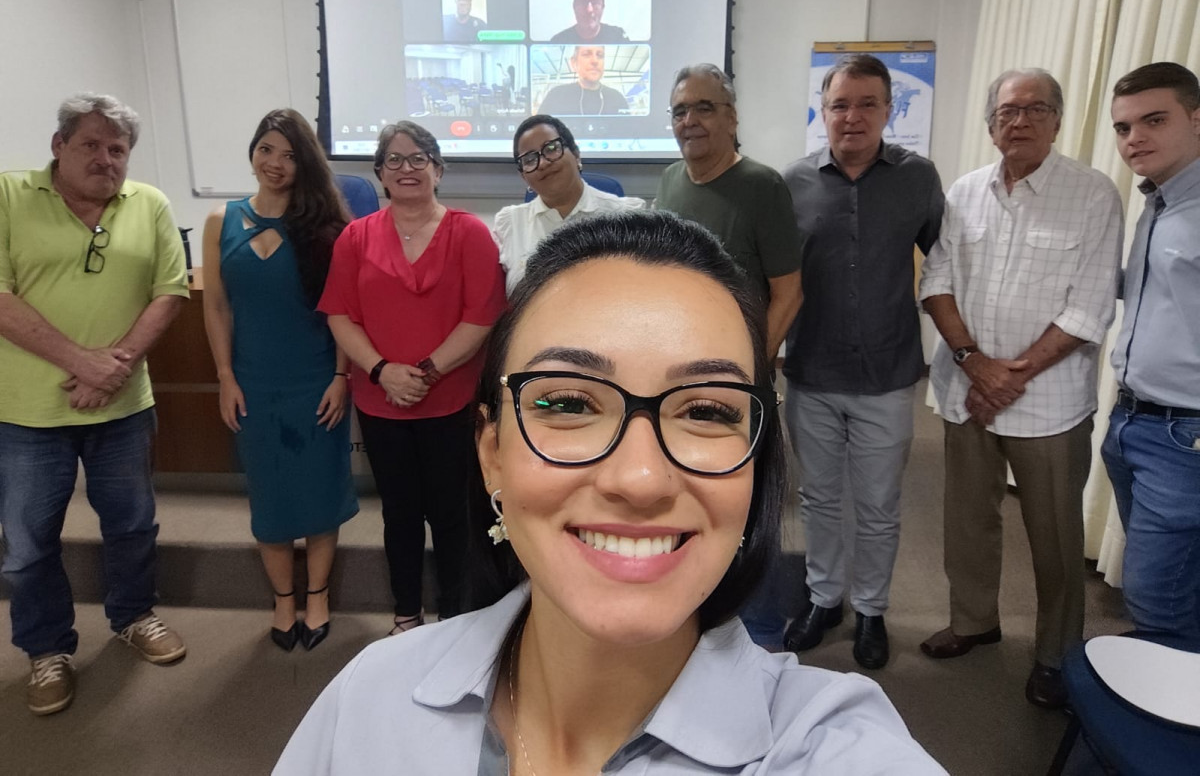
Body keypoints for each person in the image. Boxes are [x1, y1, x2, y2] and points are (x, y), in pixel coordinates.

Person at [274, 212, 948, 775]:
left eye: (707, 412)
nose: (640, 479)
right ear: (492, 457)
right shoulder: (371, 698)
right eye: (568, 402)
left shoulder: (831, 750)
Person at [918, 68, 1123, 709]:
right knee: (968, 522)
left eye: (1037, 109)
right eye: (1008, 111)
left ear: (1058, 121)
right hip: (966, 391)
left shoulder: (1093, 195)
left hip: (1050, 405)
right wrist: (975, 364)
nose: (1021, 121)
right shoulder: (966, 191)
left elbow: (1089, 308)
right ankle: (974, 620)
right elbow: (937, 280)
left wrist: (1010, 377)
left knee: (1055, 537)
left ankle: (1058, 655)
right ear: (991, 123)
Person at [0, 93, 190, 716]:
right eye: (91, 144)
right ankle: (46, 650)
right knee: (28, 543)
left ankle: (134, 615)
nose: (105, 159)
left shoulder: (150, 204)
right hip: (27, 413)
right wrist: (80, 361)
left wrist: (113, 369)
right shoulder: (8, 196)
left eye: (118, 149)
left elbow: (169, 291)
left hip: (123, 407)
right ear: (58, 146)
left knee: (133, 523)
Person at [781, 54, 945, 670]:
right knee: (821, 498)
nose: (853, 116)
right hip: (813, 374)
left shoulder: (917, 178)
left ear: (887, 110)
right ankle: (826, 600)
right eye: (840, 104)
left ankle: (872, 609)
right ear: (823, 113)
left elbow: (948, 263)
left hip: (886, 375)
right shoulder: (791, 183)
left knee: (878, 504)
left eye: (867, 103)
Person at [318, 121, 506, 634]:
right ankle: (406, 614)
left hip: (451, 400)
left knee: (452, 517)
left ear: (438, 170)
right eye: (395, 160)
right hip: (382, 404)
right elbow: (341, 316)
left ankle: (453, 615)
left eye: (419, 157)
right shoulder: (356, 237)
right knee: (399, 516)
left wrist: (423, 372)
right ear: (379, 173)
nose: (407, 168)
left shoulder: (470, 232)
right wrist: (383, 372)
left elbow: (482, 315)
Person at [200, 109, 359, 653]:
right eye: (267, 149)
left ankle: (317, 595)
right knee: (268, 498)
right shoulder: (221, 221)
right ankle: (282, 601)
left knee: (319, 491)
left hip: (315, 377)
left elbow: (344, 310)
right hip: (253, 381)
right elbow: (216, 305)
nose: (276, 163)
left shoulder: (326, 226)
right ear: (253, 151)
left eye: (290, 155)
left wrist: (341, 376)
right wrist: (224, 375)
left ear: (305, 164)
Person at [1101, 61, 1200, 640]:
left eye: (1154, 120)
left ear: (1196, 118)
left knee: (1156, 599)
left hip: (1184, 435)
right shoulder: (1159, 203)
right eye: (1122, 127)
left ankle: (1159, 724)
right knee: (1179, 586)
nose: (1134, 138)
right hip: (1134, 419)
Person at [656, 63, 803, 363]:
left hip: (734, 361)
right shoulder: (670, 180)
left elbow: (789, 294)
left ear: (732, 119)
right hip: (676, 355)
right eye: (679, 112)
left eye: (704, 108)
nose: (689, 121)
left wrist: (753, 367)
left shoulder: (763, 186)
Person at [493, 114, 643, 295]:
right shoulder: (509, 223)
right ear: (523, 176)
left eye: (551, 148)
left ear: (576, 154)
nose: (543, 163)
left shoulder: (626, 216)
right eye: (530, 160)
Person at [537, 46, 629, 117]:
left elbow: (631, 133)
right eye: (586, 54)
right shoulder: (556, 95)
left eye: (600, 55)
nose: (595, 61)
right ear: (574, 63)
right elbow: (539, 132)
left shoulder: (617, 98)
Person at [549, 0, 629, 43]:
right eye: (583, 2)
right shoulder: (558, 41)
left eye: (595, 3)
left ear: (603, 6)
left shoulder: (618, 37)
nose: (589, 10)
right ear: (574, 6)